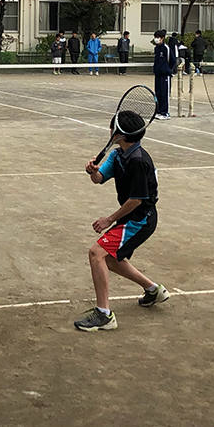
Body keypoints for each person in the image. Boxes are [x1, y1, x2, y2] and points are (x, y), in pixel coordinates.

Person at [75, 110, 169, 332]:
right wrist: (93, 171)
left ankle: (104, 314)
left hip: (140, 219)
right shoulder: (119, 155)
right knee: (109, 259)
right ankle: (153, 290)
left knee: (96, 253)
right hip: (133, 217)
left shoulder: (138, 161)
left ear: (118, 133)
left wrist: (109, 219)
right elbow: (99, 179)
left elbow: (136, 200)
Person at [152, 29, 174, 120]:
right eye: (155, 37)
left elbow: (172, 60)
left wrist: (167, 70)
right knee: (158, 93)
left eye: (158, 38)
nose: (156, 39)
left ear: (162, 38)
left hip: (165, 75)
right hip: (157, 74)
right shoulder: (156, 48)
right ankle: (159, 111)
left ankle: (165, 113)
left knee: (164, 93)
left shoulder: (166, 48)